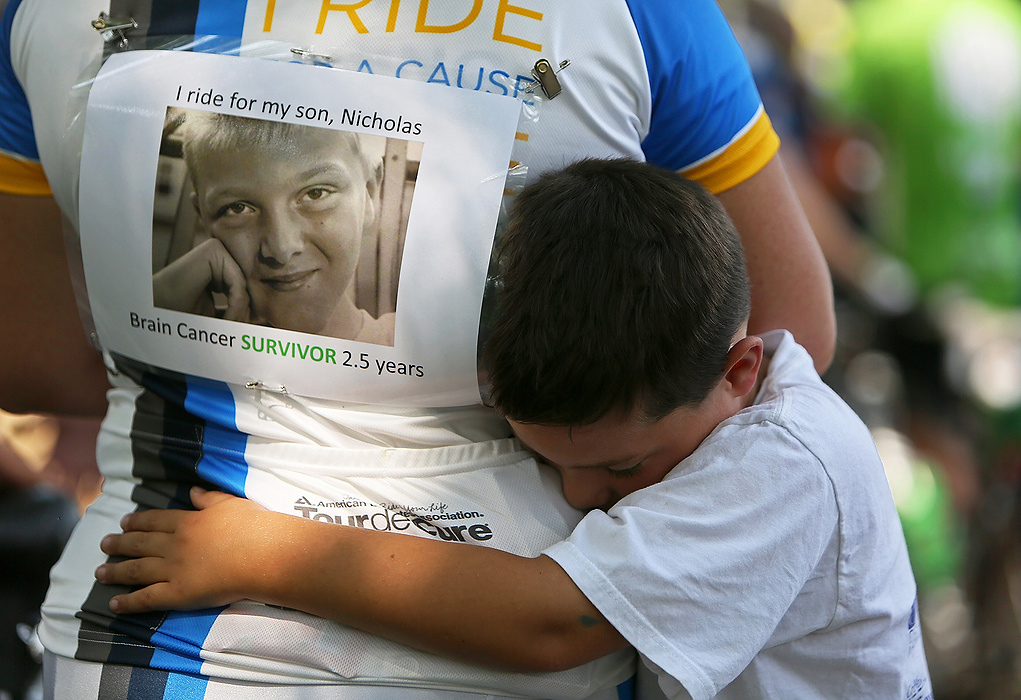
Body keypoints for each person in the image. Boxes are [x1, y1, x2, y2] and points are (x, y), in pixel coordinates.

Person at [0, 0, 837, 697]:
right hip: (524, 629)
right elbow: (785, 325)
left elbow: (32, 353)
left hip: (159, 621)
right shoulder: (640, 14)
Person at [97, 159, 931, 699]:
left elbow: (554, 621)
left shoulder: (783, 465)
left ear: (738, 371)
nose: (580, 496)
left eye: (622, 467)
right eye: (549, 461)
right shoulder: (700, 412)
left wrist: (264, 552)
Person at [152, 110, 394, 344]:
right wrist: (153, 307)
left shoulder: (416, 349)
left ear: (370, 192)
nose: (281, 249)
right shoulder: (183, 344)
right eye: (238, 208)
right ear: (202, 217)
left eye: (316, 193)